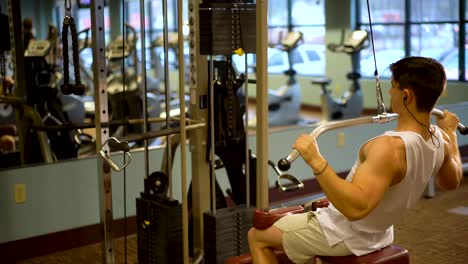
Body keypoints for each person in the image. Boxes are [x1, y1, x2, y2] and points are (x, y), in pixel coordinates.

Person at [248, 56, 463, 264]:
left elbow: (355, 210)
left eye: (393, 86)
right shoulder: (440, 139)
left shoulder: (388, 148)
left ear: (406, 95)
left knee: (257, 237)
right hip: (380, 233)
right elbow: (450, 182)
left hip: (343, 235)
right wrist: (451, 134)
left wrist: (316, 160)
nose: (389, 92)